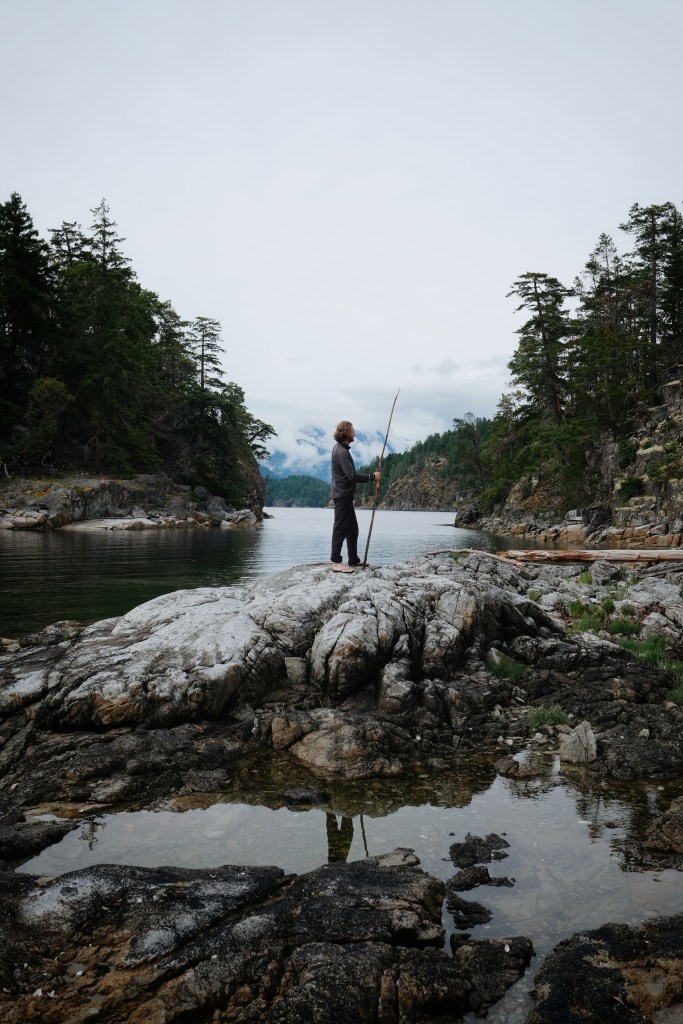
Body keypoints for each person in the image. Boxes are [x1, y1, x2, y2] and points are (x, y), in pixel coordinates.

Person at [330, 420, 380, 572]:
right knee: (340, 528)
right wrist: (372, 477)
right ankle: (336, 562)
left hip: (345, 495)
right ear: (346, 433)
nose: (354, 433)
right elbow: (351, 475)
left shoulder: (340, 449)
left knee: (352, 529)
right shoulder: (342, 452)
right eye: (352, 431)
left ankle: (353, 559)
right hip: (343, 495)